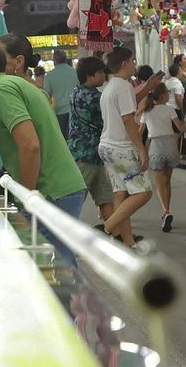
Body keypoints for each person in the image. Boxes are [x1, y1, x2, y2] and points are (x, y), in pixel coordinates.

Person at [0, 36, 86, 219]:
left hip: (51, 192)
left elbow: (30, 145)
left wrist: (26, 197)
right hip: (58, 190)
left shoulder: (1, 89)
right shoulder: (9, 84)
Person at [98, 46, 153, 246]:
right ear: (125, 63)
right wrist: (141, 148)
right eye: (133, 61)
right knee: (143, 192)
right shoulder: (124, 86)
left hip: (106, 146)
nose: (134, 65)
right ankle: (107, 228)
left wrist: (147, 88)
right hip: (121, 147)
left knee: (120, 193)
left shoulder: (111, 86)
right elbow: (128, 119)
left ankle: (128, 242)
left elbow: (127, 106)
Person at [69, 55, 116, 224]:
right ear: (90, 76)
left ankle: (115, 232)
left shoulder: (76, 92)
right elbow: (117, 109)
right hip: (87, 154)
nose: (104, 75)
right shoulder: (94, 98)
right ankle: (64, 233)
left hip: (87, 153)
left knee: (105, 197)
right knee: (76, 198)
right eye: (101, 72)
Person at [139, 82, 181, 233]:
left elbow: (139, 133)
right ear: (163, 95)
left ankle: (165, 211)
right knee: (167, 182)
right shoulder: (170, 109)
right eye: (168, 92)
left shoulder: (146, 112)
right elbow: (180, 128)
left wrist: (140, 150)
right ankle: (166, 211)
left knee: (159, 184)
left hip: (155, 146)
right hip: (170, 145)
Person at [44, 49, 78, 137]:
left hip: (59, 111)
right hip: (76, 109)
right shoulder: (75, 72)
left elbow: (47, 95)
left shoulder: (50, 76)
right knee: (73, 136)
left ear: (54, 60)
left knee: (62, 138)